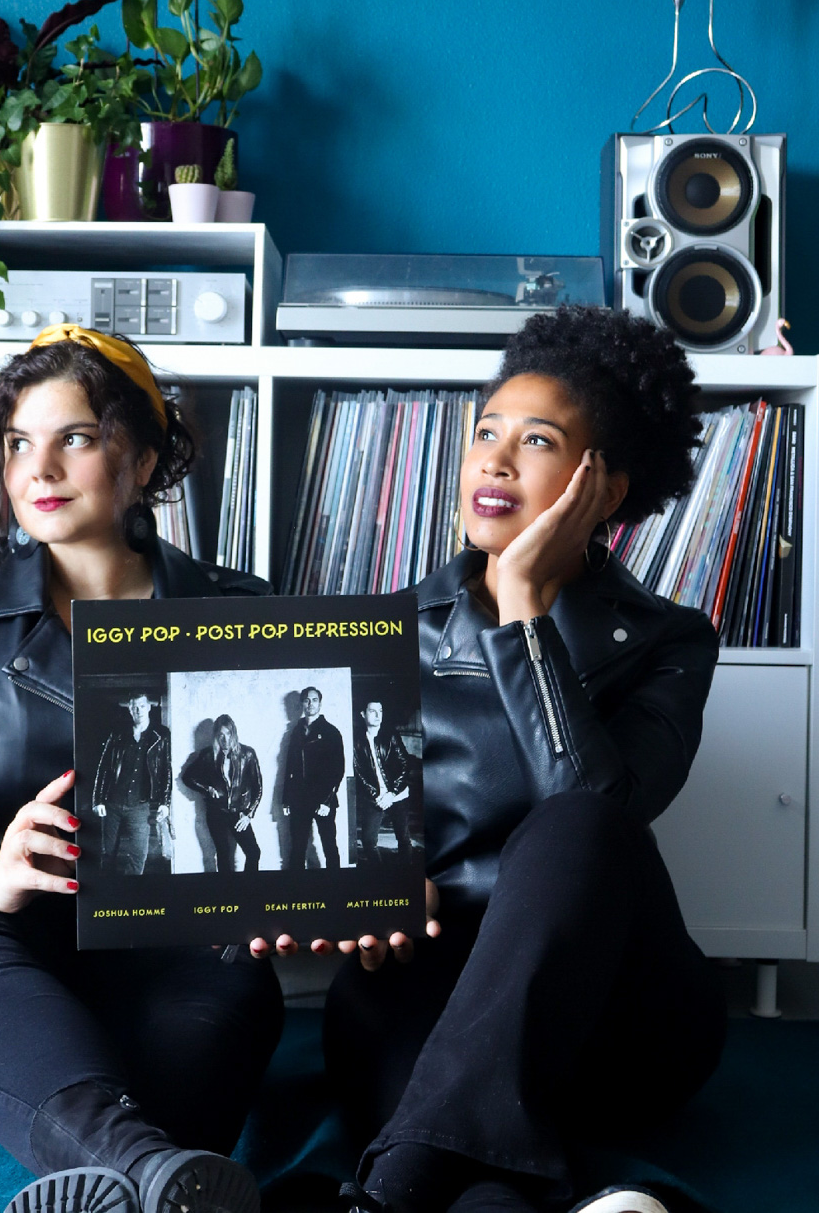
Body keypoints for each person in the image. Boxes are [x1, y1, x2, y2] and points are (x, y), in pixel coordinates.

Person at [255, 307, 726, 1213]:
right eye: (485, 432)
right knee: (458, 1163)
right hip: (425, 988)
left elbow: (597, 810)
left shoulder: (671, 642)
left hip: (621, 1013)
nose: (495, 460)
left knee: (585, 820)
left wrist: (523, 608)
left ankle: (386, 1192)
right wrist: (369, 889)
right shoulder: (375, 633)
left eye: (537, 440)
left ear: (605, 491)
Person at [0, 325, 284, 1213]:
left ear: (143, 459)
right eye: (18, 444)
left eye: (74, 437)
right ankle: (148, 1167)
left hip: (171, 961)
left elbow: (265, 803)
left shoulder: (243, 612)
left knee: (232, 997)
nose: (39, 468)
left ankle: (136, 1173)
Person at [91, 692, 171, 874]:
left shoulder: (161, 735)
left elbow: (166, 770)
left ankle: (131, 893)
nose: (138, 710)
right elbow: (103, 768)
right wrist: (97, 800)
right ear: (129, 709)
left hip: (140, 806)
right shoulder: (118, 734)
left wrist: (165, 803)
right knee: (108, 854)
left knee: (138, 856)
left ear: (149, 707)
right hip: (112, 804)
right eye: (134, 707)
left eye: (142, 706)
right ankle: (109, 893)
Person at [181, 715, 263, 873]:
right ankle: (227, 893)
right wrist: (206, 789)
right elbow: (187, 777)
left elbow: (258, 786)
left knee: (253, 852)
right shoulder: (208, 756)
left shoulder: (248, 754)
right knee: (224, 855)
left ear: (234, 734)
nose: (225, 739)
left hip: (239, 813)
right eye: (221, 735)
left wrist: (248, 814)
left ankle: (251, 890)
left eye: (229, 734)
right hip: (216, 813)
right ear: (216, 736)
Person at [281, 686, 346, 870]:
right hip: (299, 800)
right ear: (302, 703)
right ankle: (298, 890)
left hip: (323, 800)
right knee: (298, 848)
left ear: (320, 703)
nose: (310, 704)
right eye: (307, 700)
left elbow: (338, 770)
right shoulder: (296, 732)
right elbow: (289, 767)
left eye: (314, 700)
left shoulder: (331, 732)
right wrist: (286, 799)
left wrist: (326, 801)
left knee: (329, 847)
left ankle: (336, 887)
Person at [352, 701, 413, 864]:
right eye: (372, 711)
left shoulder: (390, 735)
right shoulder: (357, 740)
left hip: (398, 794)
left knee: (404, 839)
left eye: (380, 710)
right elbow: (358, 771)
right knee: (368, 842)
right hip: (375, 797)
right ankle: (380, 876)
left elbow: (405, 764)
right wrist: (376, 794)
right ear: (363, 714)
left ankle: (405, 877)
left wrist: (391, 793)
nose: (378, 715)